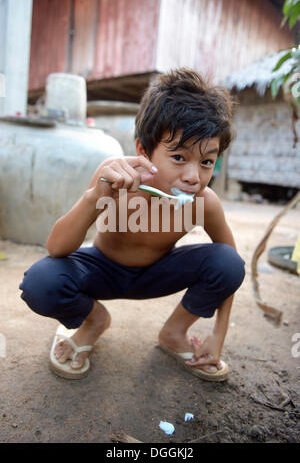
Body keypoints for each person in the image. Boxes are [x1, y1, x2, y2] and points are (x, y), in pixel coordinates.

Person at [19, 68, 245, 381]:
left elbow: (231, 273)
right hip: (102, 270)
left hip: (158, 274)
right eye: (179, 157)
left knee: (228, 261)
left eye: (206, 161)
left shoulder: (203, 202)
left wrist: (218, 335)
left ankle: (174, 332)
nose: (194, 176)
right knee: (41, 282)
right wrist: (95, 196)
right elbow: (57, 247)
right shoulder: (113, 176)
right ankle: (94, 321)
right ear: (143, 150)